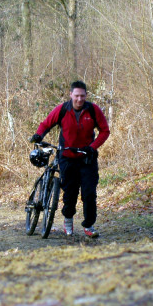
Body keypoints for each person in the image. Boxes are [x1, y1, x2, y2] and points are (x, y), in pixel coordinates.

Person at [30, 80, 110, 238]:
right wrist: (39, 135)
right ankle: (68, 219)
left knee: (89, 193)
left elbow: (105, 131)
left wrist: (92, 147)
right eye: (76, 96)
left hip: (87, 158)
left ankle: (89, 225)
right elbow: (46, 124)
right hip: (67, 158)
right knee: (70, 193)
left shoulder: (93, 110)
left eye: (82, 96)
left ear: (86, 95)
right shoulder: (62, 110)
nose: (79, 99)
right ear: (71, 95)